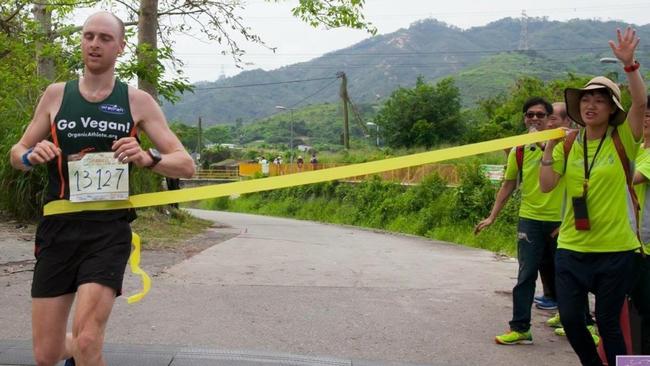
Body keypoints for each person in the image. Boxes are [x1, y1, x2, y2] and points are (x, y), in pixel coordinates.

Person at [9, 11, 194, 366]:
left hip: (107, 232)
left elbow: (185, 163)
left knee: (88, 340)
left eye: (105, 38)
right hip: (58, 230)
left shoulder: (136, 101)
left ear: (121, 47)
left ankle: (82, 350)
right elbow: (16, 154)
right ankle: (72, 351)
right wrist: (33, 154)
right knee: (46, 355)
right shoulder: (55, 95)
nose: (95, 44)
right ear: (81, 41)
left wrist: (147, 157)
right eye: (89, 36)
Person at [540, 27, 646, 365]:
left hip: (615, 250)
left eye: (599, 100)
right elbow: (545, 185)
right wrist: (547, 151)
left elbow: (641, 102)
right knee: (571, 320)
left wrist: (630, 66)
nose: (591, 104)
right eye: (586, 99)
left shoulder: (623, 139)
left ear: (611, 108)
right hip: (572, 247)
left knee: (609, 323)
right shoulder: (568, 143)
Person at [475, 97, 565, 345]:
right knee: (526, 276)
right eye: (530, 115)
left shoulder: (564, 146)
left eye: (540, 115)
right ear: (525, 119)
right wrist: (492, 216)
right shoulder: (520, 149)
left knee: (568, 275)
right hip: (530, 220)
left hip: (561, 222)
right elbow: (509, 184)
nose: (534, 119)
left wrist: (570, 219)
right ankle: (521, 327)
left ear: (549, 119)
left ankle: (576, 322)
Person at [630, 96, 650, 354]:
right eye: (644, 114)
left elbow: (631, 177)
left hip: (645, 248)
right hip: (627, 244)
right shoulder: (633, 149)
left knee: (644, 312)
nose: (646, 120)